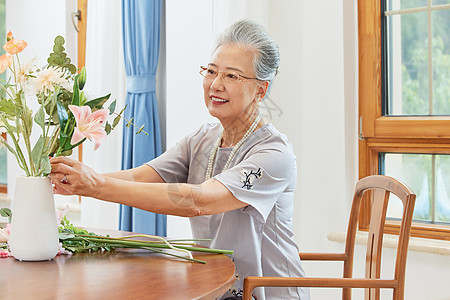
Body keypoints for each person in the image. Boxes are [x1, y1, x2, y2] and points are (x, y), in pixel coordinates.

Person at [50, 19, 310, 300]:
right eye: (211, 71)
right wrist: (77, 178)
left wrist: (96, 186)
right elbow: (142, 176)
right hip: (217, 289)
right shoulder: (203, 138)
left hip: (263, 294)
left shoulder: (274, 154)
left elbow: (198, 201)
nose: (215, 85)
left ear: (261, 90)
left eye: (231, 76)